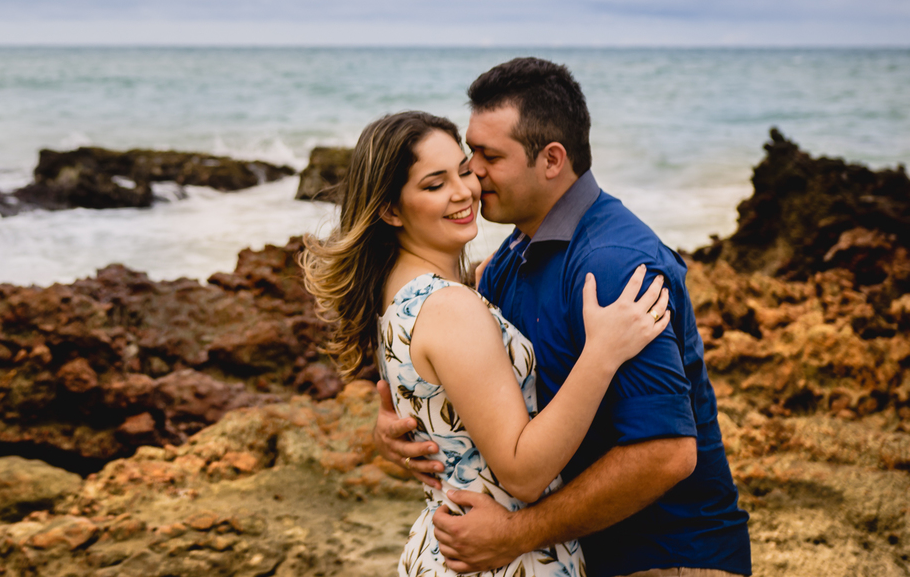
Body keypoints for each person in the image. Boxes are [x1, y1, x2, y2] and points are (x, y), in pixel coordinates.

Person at [373, 59, 752, 577]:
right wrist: (415, 424)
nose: (473, 174)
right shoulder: (508, 260)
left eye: (489, 157)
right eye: (470, 154)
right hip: (581, 550)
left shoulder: (613, 267)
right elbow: (477, 383)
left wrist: (515, 534)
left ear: (551, 159)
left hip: (667, 559)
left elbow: (666, 454)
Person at [302, 110, 672, 577]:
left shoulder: (400, 295)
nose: (463, 192)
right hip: (500, 556)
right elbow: (523, 473)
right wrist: (602, 354)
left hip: (451, 547)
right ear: (391, 210)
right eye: (434, 185)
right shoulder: (449, 308)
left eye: (463, 170)